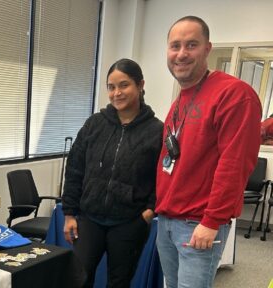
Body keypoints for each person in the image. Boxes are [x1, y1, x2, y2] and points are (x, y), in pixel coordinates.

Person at [155, 16, 262, 288]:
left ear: (207, 48)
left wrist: (212, 220)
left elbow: (235, 163)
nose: (181, 54)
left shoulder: (235, 94)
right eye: (175, 45)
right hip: (167, 218)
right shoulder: (181, 98)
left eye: (191, 45)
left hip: (197, 224)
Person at [62, 58, 163, 288]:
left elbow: (163, 177)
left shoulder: (156, 130)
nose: (117, 93)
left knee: (119, 283)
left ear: (140, 85)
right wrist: (69, 213)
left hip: (129, 222)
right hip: (90, 219)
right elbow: (75, 167)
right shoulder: (95, 124)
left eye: (124, 85)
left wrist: (148, 212)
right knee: (78, 278)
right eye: (111, 87)